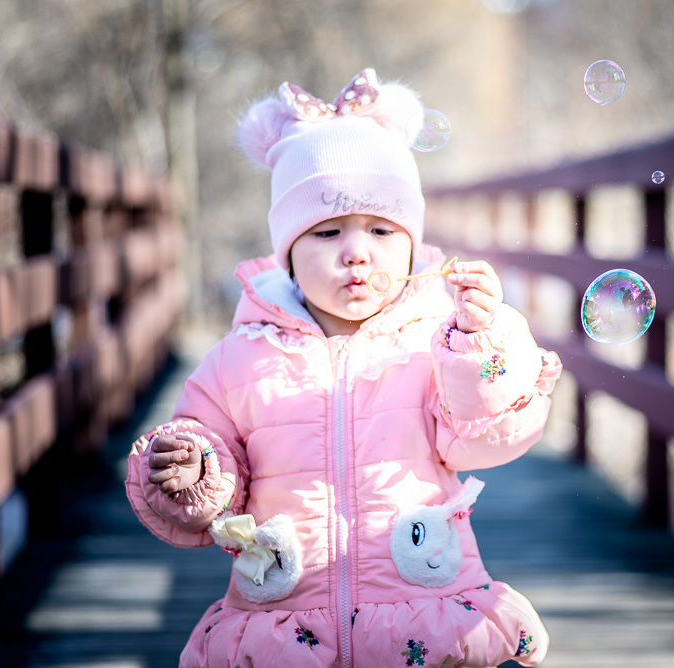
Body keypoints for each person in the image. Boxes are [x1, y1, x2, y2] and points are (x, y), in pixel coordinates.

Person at [125, 68, 562, 668]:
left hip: (421, 614)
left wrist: (480, 341)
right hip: (283, 619)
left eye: (383, 230)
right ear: (289, 256)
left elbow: (483, 436)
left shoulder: (436, 342)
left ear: (412, 248)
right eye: (327, 231)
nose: (357, 251)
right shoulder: (240, 357)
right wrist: (193, 469)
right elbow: (212, 465)